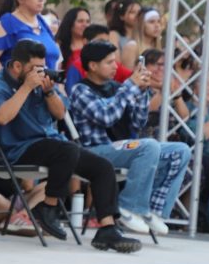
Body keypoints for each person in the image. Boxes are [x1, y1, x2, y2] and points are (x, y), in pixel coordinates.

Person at [0, 39, 141, 253]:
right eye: (35, 68)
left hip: (52, 144)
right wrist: (26, 87)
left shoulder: (40, 81)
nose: (41, 72)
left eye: (42, 67)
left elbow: (60, 113)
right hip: (18, 148)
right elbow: (2, 117)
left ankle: (107, 229)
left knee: (102, 167)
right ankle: (48, 207)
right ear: (17, 66)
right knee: (66, 151)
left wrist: (49, 92)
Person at [68, 40, 192, 234]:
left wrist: (142, 93)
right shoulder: (80, 90)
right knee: (149, 146)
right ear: (92, 66)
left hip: (121, 148)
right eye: (109, 62)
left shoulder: (118, 87)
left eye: (115, 61)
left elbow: (138, 123)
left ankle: (153, 210)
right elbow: (106, 117)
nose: (115, 66)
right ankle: (129, 206)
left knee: (181, 151)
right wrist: (130, 87)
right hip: (94, 151)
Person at [107, 0, 141, 69]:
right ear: (122, 16)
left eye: (139, 12)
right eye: (132, 12)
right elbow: (116, 62)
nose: (137, 16)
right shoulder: (114, 34)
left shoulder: (143, 36)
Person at [56, 6, 90, 71]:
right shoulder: (59, 46)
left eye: (88, 21)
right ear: (70, 23)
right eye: (80, 21)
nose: (85, 25)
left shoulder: (93, 46)